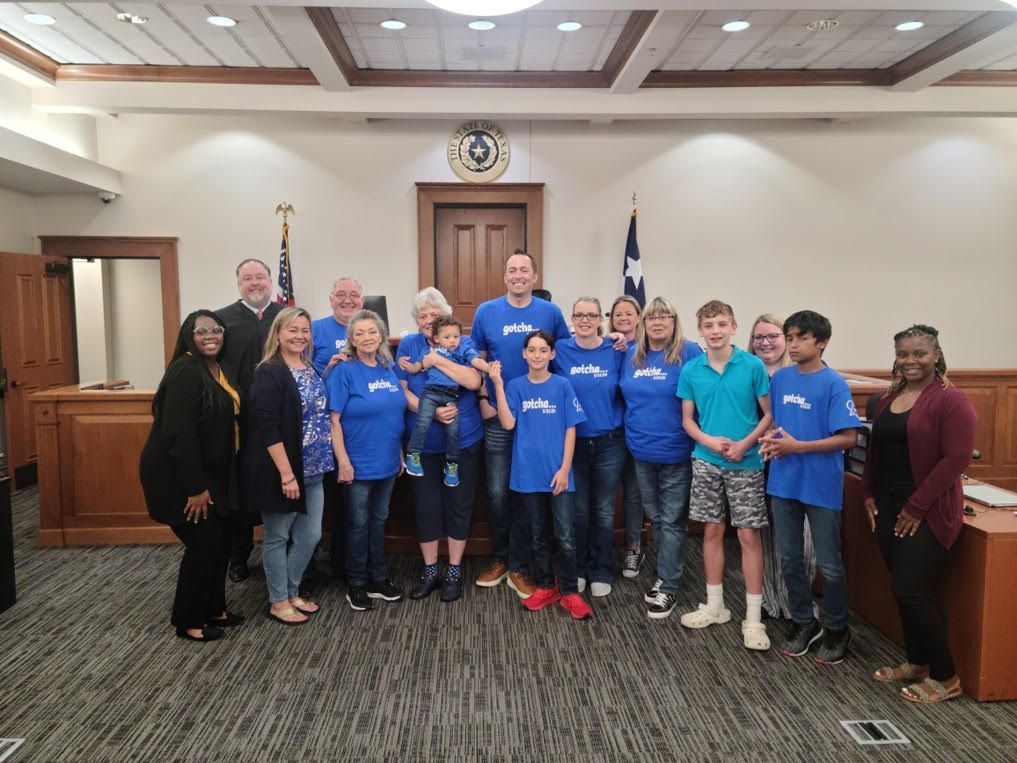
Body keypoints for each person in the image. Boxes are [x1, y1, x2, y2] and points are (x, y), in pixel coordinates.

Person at [862, 324, 975, 703]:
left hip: (927, 508)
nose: (911, 361)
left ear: (936, 355)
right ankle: (917, 662)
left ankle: (946, 677)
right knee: (903, 588)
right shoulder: (887, 397)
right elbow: (876, 451)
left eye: (920, 354)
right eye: (903, 354)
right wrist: (867, 494)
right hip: (888, 504)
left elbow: (956, 459)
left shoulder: (951, 400)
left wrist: (916, 506)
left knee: (911, 590)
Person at [759, 311, 860, 664]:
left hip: (820, 485)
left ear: (822, 342)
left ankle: (836, 627)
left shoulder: (833, 384)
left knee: (829, 564)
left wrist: (798, 447)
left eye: (802, 338)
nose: (794, 344)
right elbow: (778, 423)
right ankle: (803, 620)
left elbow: (848, 438)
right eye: (790, 338)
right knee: (790, 559)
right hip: (783, 482)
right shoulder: (782, 378)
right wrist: (770, 442)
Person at [469, 252, 571, 597]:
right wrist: (484, 399)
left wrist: (614, 339)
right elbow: (478, 362)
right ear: (504, 277)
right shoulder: (486, 312)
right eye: (511, 270)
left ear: (534, 276)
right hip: (500, 416)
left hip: (540, 419)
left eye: (524, 270)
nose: (517, 275)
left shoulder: (551, 313)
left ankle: (520, 565)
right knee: (498, 493)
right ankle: (502, 558)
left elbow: (567, 354)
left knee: (531, 495)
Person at [140, 310, 242, 642]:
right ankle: (188, 620)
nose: (210, 335)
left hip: (213, 473)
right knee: (204, 543)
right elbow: (179, 437)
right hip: (178, 477)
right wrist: (195, 488)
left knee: (221, 542)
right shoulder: (185, 371)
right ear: (189, 335)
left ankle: (215, 609)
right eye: (202, 331)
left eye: (216, 330)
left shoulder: (219, 367)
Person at [678, 300, 773, 651]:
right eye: (708, 325)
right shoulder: (692, 370)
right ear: (699, 330)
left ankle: (753, 618)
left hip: (746, 463)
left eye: (721, 324)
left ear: (733, 326)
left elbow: (768, 414)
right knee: (712, 530)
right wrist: (708, 441)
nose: (715, 331)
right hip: (706, 460)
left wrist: (745, 443)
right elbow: (688, 419)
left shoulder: (752, 366)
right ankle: (715, 605)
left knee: (748, 536)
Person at [489, 331, 591, 620]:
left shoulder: (562, 385)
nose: (537, 355)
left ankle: (570, 591)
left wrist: (564, 469)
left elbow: (571, 428)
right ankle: (547, 585)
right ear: (524, 354)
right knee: (537, 535)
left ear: (552, 354)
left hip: (558, 474)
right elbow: (508, 423)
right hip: (527, 474)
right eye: (531, 350)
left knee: (565, 535)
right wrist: (497, 384)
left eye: (542, 350)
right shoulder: (516, 386)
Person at [242, 307, 332, 626]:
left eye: (305, 330)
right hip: (285, 472)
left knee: (309, 536)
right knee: (278, 536)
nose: (299, 335)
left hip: (315, 469)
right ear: (278, 334)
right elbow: (267, 427)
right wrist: (286, 474)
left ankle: (292, 592)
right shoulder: (271, 371)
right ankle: (278, 600)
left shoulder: (308, 367)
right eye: (292, 330)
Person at [395, 288, 485, 602]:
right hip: (422, 446)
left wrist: (436, 360)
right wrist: (430, 410)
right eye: (423, 316)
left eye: (435, 315)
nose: (429, 321)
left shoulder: (460, 341)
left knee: (459, 506)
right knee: (426, 509)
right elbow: (401, 388)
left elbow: (474, 381)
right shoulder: (408, 344)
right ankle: (431, 570)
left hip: (464, 440)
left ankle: (455, 570)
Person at [618, 297, 703, 619]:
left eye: (663, 316)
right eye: (651, 317)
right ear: (643, 322)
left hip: (677, 453)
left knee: (671, 521)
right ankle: (665, 574)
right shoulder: (631, 354)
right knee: (656, 516)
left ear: (673, 321)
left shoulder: (688, 352)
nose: (657, 322)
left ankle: (668, 587)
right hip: (640, 451)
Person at [329, 309, 407, 611]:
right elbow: (333, 421)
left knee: (378, 521)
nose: (367, 338)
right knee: (358, 525)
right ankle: (357, 584)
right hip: (357, 464)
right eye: (359, 333)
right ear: (351, 339)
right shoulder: (344, 371)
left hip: (387, 462)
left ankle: (379, 578)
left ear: (381, 336)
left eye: (372, 332)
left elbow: (394, 413)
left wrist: (399, 453)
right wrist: (344, 462)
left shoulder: (388, 368)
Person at [552, 297, 626, 597]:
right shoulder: (561, 350)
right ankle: (579, 567)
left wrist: (623, 336)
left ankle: (601, 568)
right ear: (572, 318)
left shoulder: (616, 350)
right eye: (579, 314)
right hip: (574, 443)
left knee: (605, 511)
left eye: (591, 315)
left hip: (610, 442)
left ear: (600, 319)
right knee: (579, 510)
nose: (585, 320)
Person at [215, 258, 283, 582]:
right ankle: (238, 556)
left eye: (260, 277)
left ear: (271, 280)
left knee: (280, 484)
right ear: (238, 283)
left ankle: (283, 551)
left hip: (279, 419)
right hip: (238, 423)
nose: (255, 283)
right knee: (237, 492)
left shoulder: (285, 318)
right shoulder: (223, 321)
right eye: (247, 278)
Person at [747, 312, 806, 621]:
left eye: (772, 336)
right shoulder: (746, 372)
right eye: (759, 337)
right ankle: (771, 600)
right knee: (765, 534)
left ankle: (798, 603)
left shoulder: (800, 374)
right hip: (756, 464)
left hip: (794, 464)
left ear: (787, 340)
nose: (765, 342)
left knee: (797, 539)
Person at [306, 277, 364, 588]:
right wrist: (327, 367)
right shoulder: (314, 329)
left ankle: (343, 563)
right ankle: (308, 568)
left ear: (362, 301)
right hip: (318, 431)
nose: (347, 300)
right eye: (341, 295)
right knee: (315, 502)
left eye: (353, 295)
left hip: (353, 432)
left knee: (345, 502)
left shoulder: (368, 329)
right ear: (331, 299)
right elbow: (298, 372)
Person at [401, 313, 490, 486]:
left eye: (456, 336)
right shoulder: (429, 350)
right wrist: (410, 366)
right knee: (424, 421)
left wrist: (490, 369)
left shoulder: (462, 350)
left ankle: (452, 464)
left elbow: (476, 363)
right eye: (447, 337)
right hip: (431, 393)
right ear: (437, 338)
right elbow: (417, 367)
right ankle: (413, 454)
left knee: (453, 431)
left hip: (451, 396)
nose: (452, 340)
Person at [609, 295, 646, 579]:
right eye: (617, 314)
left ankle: (635, 547)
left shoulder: (648, 349)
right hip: (611, 431)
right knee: (605, 494)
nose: (622, 318)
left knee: (633, 493)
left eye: (628, 314)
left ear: (638, 317)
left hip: (636, 430)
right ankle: (603, 547)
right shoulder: (607, 346)